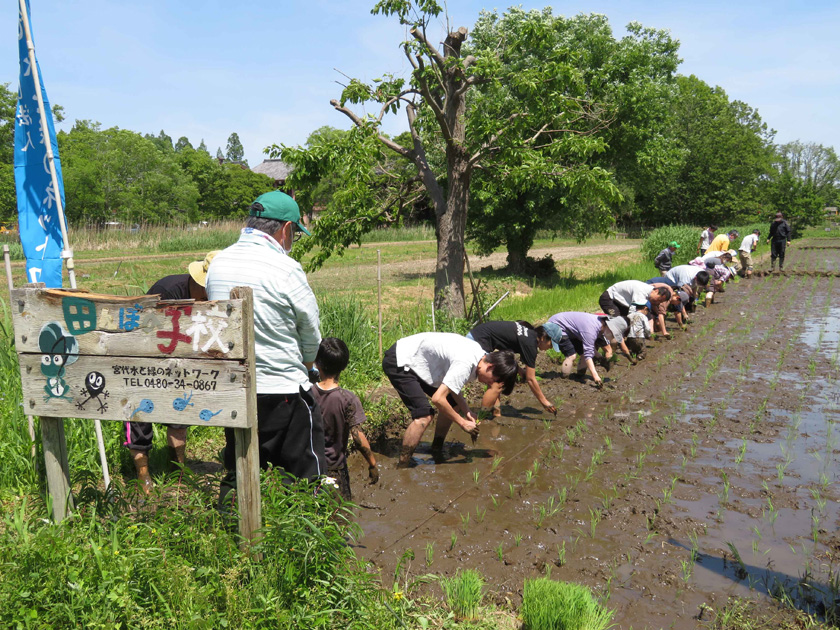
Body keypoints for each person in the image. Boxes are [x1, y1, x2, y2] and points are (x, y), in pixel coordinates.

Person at [206, 191, 326, 508]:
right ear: (285, 229)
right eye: (295, 234)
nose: (293, 241)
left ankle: (231, 532)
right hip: (283, 390)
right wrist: (310, 364)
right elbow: (310, 331)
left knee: (239, 465)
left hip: (235, 390)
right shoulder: (286, 269)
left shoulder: (218, 263)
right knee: (304, 473)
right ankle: (306, 540)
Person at [124, 250, 219, 491]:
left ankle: (177, 471)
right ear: (198, 283)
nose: (211, 296)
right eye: (208, 290)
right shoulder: (167, 292)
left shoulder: (215, 300)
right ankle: (143, 476)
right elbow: (142, 332)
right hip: (146, 359)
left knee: (179, 415)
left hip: (179, 362)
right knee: (139, 415)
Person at [382, 332, 518, 467]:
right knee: (424, 415)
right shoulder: (466, 363)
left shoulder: (479, 356)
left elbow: (453, 387)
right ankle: (403, 464)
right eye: (492, 381)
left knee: (453, 404)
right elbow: (438, 399)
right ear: (490, 367)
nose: (489, 385)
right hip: (401, 360)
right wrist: (462, 422)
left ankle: (436, 447)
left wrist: (467, 411)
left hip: (419, 361)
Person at [310, 338, 378, 501]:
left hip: (310, 465)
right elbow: (357, 437)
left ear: (317, 363)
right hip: (335, 468)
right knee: (340, 515)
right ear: (344, 366)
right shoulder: (347, 399)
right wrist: (373, 464)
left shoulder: (307, 393)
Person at [466, 320, 556, 416]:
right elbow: (531, 379)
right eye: (551, 345)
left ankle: (496, 413)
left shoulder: (529, 334)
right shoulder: (530, 344)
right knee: (496, 382)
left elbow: (505, 354)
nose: (550, 348)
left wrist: (519, 370)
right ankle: (482, 416)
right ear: (543, 338)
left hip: (475, 335)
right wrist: (544, 402)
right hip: (476, 341)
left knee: (498, 378)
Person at [542, 312, 634, 388]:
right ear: (610, 327)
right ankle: (563, 380)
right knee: (571, 355)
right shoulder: (592, 329)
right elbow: (588, 354)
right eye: (613, 334)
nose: (612, 337)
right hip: (558, 326)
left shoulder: (601, 326)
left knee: (582, 352)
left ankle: (579, 376)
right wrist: (596, 377)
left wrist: (600, 358)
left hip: (571, 330)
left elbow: (588, 347)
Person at [599, 280, 672, 320]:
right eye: (659, 299)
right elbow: (633, 311)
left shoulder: (648, 294)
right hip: (609, 298)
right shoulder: (641, 292)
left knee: (625, 322)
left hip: (621, 302)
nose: (657, 302)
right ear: (656, 291)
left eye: (660, 302)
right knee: (617, 322)